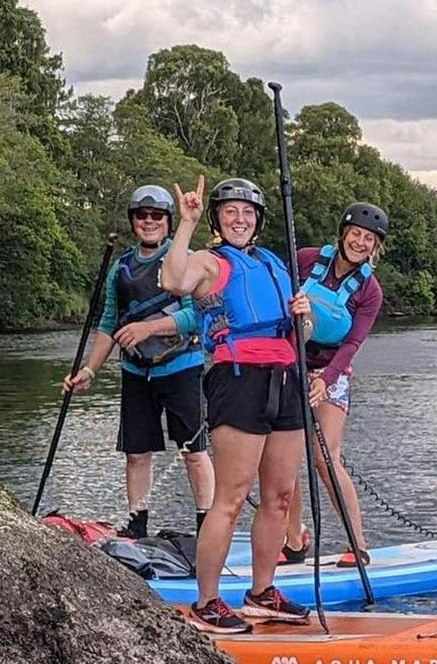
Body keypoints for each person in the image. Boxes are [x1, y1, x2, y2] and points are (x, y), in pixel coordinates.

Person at [161, 175, 313, 633]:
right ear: (218, 219)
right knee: (229, 498)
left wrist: (305, 319)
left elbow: (301, 334)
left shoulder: (273, 264)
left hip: (284, 378)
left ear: (259, 221)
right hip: (238, 378)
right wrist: (184, 223)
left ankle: (262, 592)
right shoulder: (209, 262)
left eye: (247, 213)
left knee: (280, 496)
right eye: (230, 212)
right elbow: (172, 280)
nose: (240, 219)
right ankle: (207, 602)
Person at [62, 185, 215, 536]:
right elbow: (109, 322)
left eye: (157, 216)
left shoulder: (185, 261)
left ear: (167, 221)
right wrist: (89, 369)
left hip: (181, 368)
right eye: (142, 216)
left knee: (193, 451)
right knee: (136, 453)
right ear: (134, 222)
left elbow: (196, 316)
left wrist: (148, 328)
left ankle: (208, 528)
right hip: (136, 372)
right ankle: (137, 527)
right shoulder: (121, 268)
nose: (149, 222)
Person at [281, 203, 388, 566]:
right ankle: (294, 541)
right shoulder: (307, 260)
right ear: (343, 234)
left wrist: (325, 380)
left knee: (326, 458)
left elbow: (352, 343)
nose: (360, 242)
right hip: (290, 364)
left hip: (332, 372)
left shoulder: (369, 291)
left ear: (375, 247)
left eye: (368, 239)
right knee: (286, 459)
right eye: (356, 234)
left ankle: (357, 544)